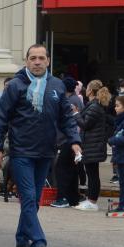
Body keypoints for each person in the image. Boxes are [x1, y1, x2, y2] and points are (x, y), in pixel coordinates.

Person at [0, 44, 81, 247]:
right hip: (21, 152)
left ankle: (22, 239)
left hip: (46, 152)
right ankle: (38, 242)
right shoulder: (16, 85)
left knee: (34, 199)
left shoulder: (57, 86)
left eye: (41, 58)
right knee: (29, 197)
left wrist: (75, 141)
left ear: (48, 61)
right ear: (26, 61)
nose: (37, 62)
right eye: (33, 58)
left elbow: (66, 118)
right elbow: (1, 117)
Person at [73, 80, 111, 211]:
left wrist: (76, 114)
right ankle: (91, 199)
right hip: (91, 144)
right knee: (92, 173)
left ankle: (92, 201)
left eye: (87, 88)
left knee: (92, 174)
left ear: (90, 91)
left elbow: (85, 124)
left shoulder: (94, 106)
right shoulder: (94, 105)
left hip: (92, 145)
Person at [51, 76, 85, 208]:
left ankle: (62, 197)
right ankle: (72, 198)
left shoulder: (69, 101)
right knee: (71, 170)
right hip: (72, 139)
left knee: (62, 169)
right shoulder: (76, 99)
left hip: (69, 140)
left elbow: (68, 121)